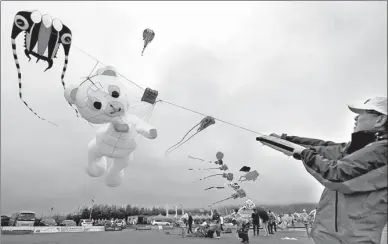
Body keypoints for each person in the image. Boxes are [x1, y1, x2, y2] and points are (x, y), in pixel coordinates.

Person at [271, 96, 387, 244]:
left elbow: (337, 175)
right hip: (330, 238)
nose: (356, 118)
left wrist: (304, 154)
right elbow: (324, 147)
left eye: (363, 113)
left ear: (380, 120)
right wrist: (285, 139)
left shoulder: (382, 151)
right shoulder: (359, 149)